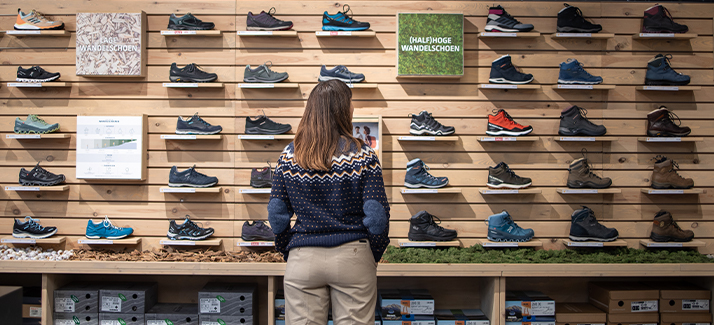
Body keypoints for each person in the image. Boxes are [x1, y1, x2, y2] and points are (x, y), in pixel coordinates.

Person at [268, 79, 390, 325]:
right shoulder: (364, 154)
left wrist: (287, 249)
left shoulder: (290, 155)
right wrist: (371, 253)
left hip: (303, 257)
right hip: (353, 255)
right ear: (344, 110)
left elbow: (277, 213)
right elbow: (377, 217)